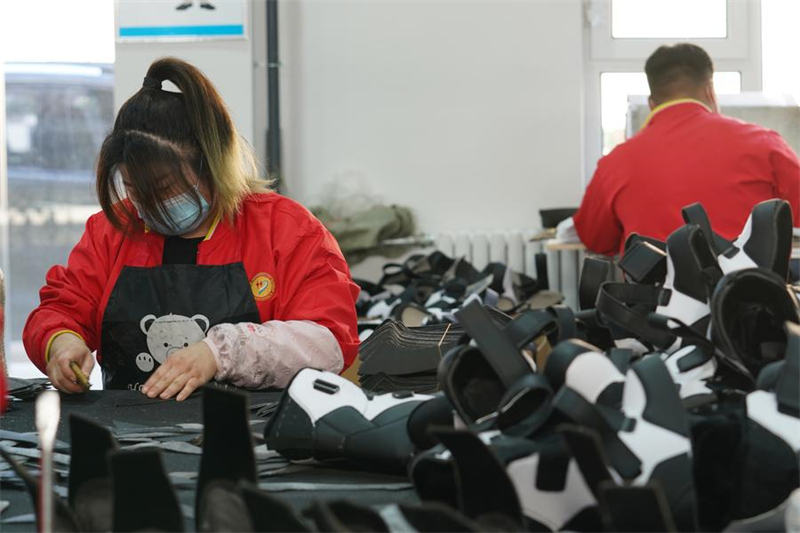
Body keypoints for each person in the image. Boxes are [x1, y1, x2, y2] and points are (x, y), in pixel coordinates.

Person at [23, 57, 360, 400]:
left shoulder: (287, 230)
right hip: (131, 431)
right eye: (134, 189)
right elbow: (61, 308)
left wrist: (223, 352)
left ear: (211, 164)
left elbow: (328, 342)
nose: (148, 205)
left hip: (253, 436)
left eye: (164, 188)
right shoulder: (112, 231)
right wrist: (60, 342)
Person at [573, 43, 800, 256]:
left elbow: (595, 240)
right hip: (750, 294)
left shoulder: (615, 163)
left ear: (652, 103)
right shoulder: (764, 143)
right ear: (710, 92)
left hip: (656, 297)